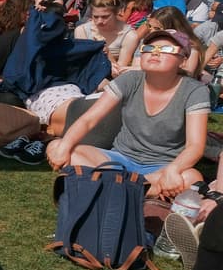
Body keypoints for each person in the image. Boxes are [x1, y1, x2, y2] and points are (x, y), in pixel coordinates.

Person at [47, 29, 207, 199]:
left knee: (191, 178)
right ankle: (139, 189)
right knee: (58, 147)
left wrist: (173, 170)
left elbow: (195, 146)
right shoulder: (130, 79)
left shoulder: (194, 91)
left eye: (166, 49)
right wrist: (63, 147)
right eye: (149, 48)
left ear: (183, 60)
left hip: (162, 166)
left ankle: (107, 185)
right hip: (119, 160)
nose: (155, 53)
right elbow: (89, 119)